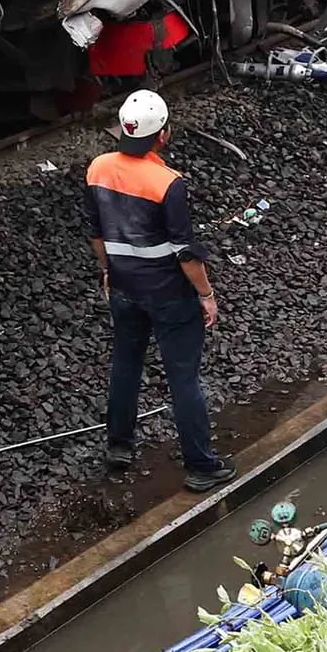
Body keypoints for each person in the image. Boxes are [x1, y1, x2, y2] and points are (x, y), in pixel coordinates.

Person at [84, 89, 236, 493]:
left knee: (126, 362)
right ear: (163, 135)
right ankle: (201, 466)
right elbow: (185, 252)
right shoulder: (168, 183)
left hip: (123, 287)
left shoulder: (98, 168)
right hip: (168, 294)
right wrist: (206, 294)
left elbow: (96, 233)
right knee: (183, 378)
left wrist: (107, 271)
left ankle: (119, 446)